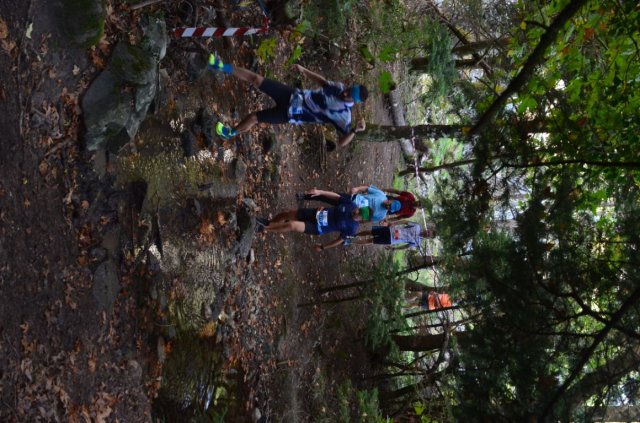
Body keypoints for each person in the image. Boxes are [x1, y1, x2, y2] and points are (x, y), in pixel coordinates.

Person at [207, 53, 368, 148]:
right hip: (291, 94)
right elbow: (323, 81)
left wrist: (355, 131)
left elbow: (341, 142)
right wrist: (304, 70)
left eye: (349, 95)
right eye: (348, 89)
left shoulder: (344, 116)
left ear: (353, 101)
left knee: (254, 117)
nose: (345, 93)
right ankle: (220, 67)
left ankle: (230, 133)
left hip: (291, 114)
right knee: (256, 79)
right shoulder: (339, 87)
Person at [257, 198, 371, 251]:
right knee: (287, 213)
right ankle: (270, 223)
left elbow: (339, 240)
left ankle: (264, 228)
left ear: (362, 219)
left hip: (317, 227)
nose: (356, 212)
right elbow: (336, 198)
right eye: (359, 210)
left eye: (359, 214)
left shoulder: (353, 228)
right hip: (315, 213)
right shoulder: (351, 204)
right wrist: (321, 193)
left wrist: (323, 247)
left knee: (292, 225)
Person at [353, 221, 434, 249]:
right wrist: (394, 223)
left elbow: (406, 246)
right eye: (428, 232)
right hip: (390, 230)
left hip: (391, 240)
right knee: (370, 232)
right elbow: (405, 222)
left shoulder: (417, 243)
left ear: (428, 238)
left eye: (429, 235)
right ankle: (354, 235)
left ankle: (351, 241)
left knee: (371, 240)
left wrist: (395, 249)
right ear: (427, 229)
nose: (427, 233)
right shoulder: (417, 226)